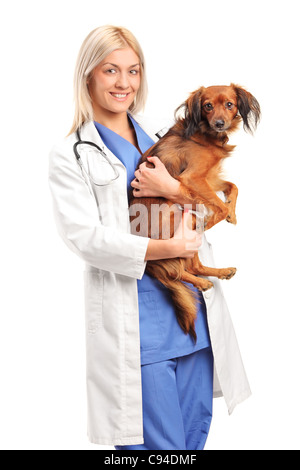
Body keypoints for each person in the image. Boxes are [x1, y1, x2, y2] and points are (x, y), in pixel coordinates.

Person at [48, 25, 251, 450]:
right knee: (160, 450)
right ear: (88, 75)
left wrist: (175, 191)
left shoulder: (169, 136)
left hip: (195, 318)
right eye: (110, 70)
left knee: (190, 445)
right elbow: (84, 237)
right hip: (139, 329)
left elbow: (209, 213)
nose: (124, 83)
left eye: (133, 71)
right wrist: (168, 248)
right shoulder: (72, 154)